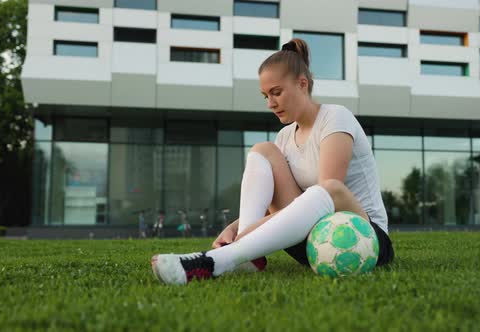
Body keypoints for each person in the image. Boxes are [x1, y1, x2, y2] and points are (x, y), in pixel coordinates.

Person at [151, 38, 394, 285]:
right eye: (265, 95)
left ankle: (220, 259)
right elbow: (292, 207)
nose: (270, 103)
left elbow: (327, 199)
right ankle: (249, 258)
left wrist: (248, 235)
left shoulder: (336, 118)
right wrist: (237, 227)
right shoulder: (285, 136)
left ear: (302, 84)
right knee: (263, 150)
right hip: (315, 242)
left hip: (365, 237)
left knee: (330, 188)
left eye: (276, 92)